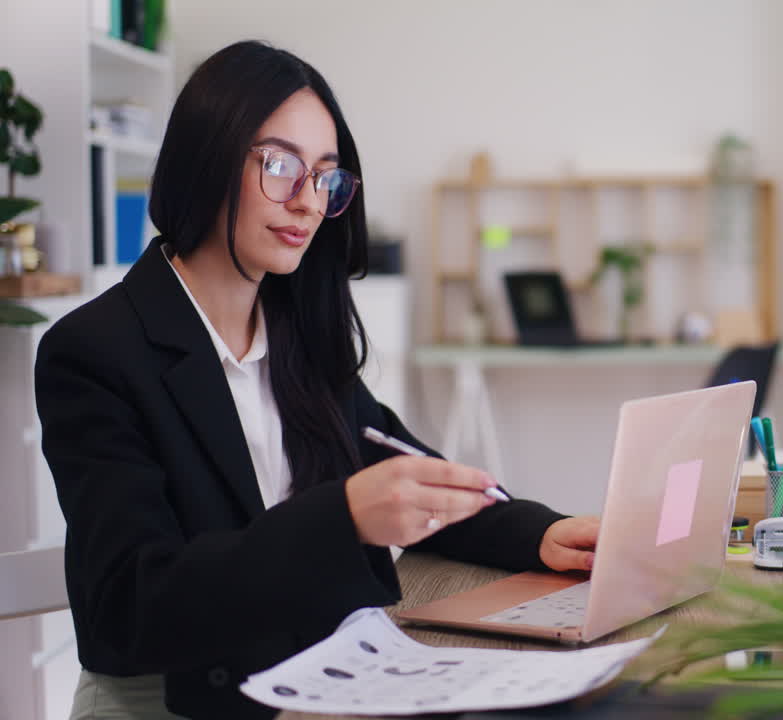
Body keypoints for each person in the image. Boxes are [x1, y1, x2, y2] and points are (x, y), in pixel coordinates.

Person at [35, 41, 599, 720]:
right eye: (280, 166)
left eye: (326, 177)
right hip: (173, 701)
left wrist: (540, 533)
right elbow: (133, 606)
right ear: (207, 156)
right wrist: (344, 518)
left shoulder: (296, 339)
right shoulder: (96, 351)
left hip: (309, 678)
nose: (307, 202)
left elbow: (409, 470)